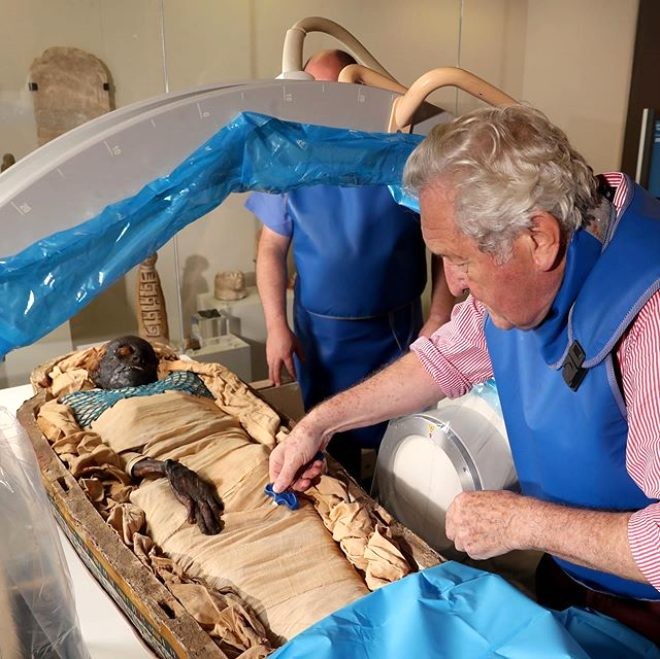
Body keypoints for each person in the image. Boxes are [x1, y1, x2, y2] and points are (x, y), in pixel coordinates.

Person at [268, 104, 660, 643]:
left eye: (461, 260)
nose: (452, 284)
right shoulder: (529, 265)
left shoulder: (649, 323)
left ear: (538, 238)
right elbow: (440, 360)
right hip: (572, 575)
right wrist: (321, 424)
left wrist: (523, 523)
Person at [246, 49, 455, 478]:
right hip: (320, 337)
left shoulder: (403, 154)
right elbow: (270, 249)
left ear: (362, 91)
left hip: (394, 332)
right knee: (323, 442)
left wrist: (440, 317)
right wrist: (274, 326)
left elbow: (449, 244)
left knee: (401, 445)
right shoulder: (293, 159)